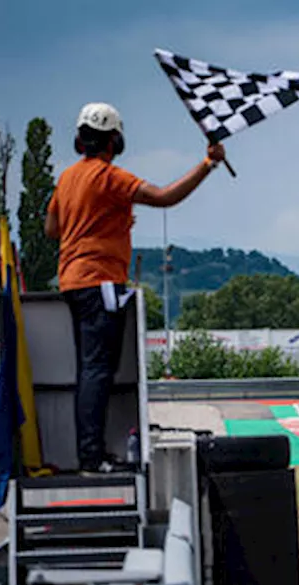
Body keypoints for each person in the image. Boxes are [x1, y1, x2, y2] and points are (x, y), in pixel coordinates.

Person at [45, 102, 226, 473]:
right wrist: (207, 165)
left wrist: (98, 219)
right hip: (101, 281)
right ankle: (92, 457)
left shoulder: (67, 178)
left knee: (87, 368)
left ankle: (90, 454)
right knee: (98, 371)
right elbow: (163, 197)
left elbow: (52, 228)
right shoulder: (109, 177)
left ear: (80, 140)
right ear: (114, 141)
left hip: (72, 280)